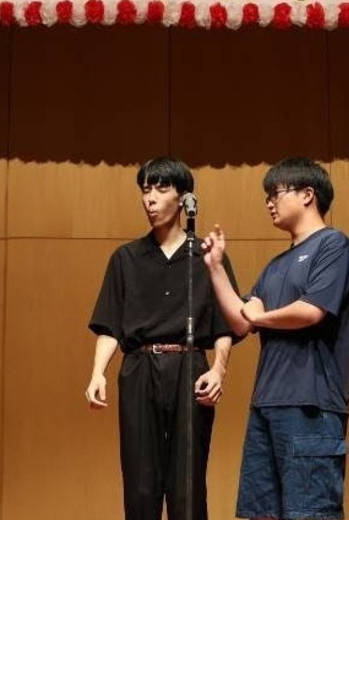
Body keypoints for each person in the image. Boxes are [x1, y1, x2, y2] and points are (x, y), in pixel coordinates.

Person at [199, 157, 349, 519]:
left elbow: (311, 311)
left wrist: (260, 316)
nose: (269, 202)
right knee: (261, 516)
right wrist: (216, 268)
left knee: (309, 516)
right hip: (266, 405)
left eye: (276, 193)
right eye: (267, 196)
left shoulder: (333, 245)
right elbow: (241, 323)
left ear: (307, 194)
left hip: (311, 406)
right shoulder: (275, 266)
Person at [86, 157, 240, 519]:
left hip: (190, 367)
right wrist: (97, 373)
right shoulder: (125, 258)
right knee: (140, 482)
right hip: (139, 368)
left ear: (184, 198)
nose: (150, 198)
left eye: (161, 188)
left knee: (188, 480)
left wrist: (218, 370)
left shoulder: (207, 257)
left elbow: (225, 325)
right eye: (145, 190)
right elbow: (110, 325)